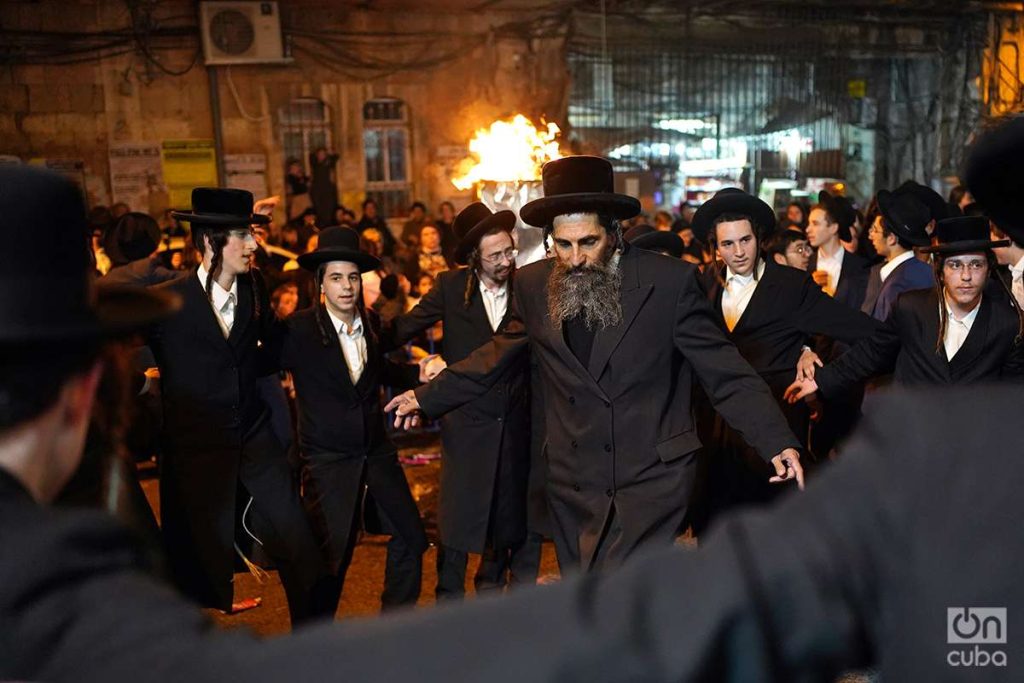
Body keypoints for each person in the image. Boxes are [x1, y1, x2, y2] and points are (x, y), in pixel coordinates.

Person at [386, 156, 804, 572]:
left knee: (624, 598)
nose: (576, 259)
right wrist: (426, 396)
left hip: (650, 480)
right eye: (563, 245)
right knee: (588, 599)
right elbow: (495, 356)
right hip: (574, 481)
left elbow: (725, 373)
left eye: (589, 243)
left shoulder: (670, 283)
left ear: (615, 233)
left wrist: (776, 441)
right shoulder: (532, 285)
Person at [149, 187, 335, 626]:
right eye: (244, 236)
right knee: (193, 561)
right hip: (198, 448)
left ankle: (314, 644)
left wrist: (324, 336)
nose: (254, 245)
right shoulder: (168, 300)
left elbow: (271, 344)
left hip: (253, 434)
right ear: (211, 242)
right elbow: (129, 346)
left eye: (252, 235)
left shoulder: (253, 286)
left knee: (298, 542)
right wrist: (144, 377)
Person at [691, 189, 879, 524]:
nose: (738, 252)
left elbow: (872, 336)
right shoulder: (701, 284)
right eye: (727, 244)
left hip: (775, 435)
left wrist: (825, 378)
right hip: (715, 438)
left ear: (759, 238)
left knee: (775, 537)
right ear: (715, 247)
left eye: (745, 240)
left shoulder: (791, 285)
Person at [387, 203, 536, 599]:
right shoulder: (450, 288)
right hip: (466, 422)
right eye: (495, 255)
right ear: (474, 257)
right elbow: (404, 328)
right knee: (456, 521)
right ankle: (448, 601)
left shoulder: (527, 286)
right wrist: (364, 328)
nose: (506, 261)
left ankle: (490, 596)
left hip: (514, 423)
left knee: (505, 518)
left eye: (509, 251)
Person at [281, 226, 428, 613]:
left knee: (412, 537)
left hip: (376, 453)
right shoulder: (297, 330)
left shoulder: (372, 323)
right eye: (336, 278)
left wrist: (418, 375)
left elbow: (379, 370)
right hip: (327, 462)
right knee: (331, 563)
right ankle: (314, 647)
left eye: (352, 277)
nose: (346, 286)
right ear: (320, 285)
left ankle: (395, 627)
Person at [786, 214, 1024, 406]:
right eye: (955, 265)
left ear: (988, 270)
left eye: (976, 264)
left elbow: (1011, 395)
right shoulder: (911, 307)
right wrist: (821, 380)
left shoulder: (1008, 322)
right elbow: (872, 352)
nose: (966, 276)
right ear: (940, 272)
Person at [859, 189, 935, 322]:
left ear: (892, 239)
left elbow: (884, 334)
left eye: (875, 230)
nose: (870, 236)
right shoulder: (926, 271)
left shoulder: (899, 283)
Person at [308, 147, 339, 227]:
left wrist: (330, 153)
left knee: (328, 211)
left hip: (327, 191)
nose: (321, 156)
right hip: (318, 191)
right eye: (320, 154)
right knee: (319, 211)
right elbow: (310, 156)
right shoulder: (315, 164)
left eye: (323, 154)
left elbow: (336, 157)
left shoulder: (327, 164)